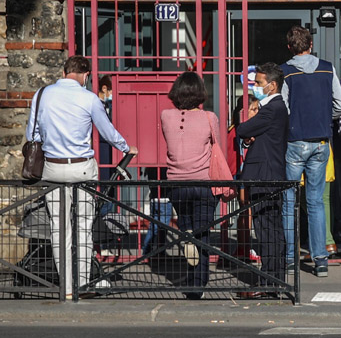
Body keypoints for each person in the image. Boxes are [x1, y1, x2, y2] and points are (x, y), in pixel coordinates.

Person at [25, 56, 136, 299]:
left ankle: (65, 287)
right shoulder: (90, 98)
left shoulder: (42, 95)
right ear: (86, 76)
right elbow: (108, 132)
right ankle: (82, 283)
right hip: (82, 168)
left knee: (58, 228)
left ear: (64, 71)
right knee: (83, 227)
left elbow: (31, 133)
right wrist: (127, 147)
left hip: (52, 169)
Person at [280, 25, 341, 277]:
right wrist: (325, 118)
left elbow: (284, 108)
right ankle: (320, 259)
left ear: (290, 47)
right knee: (316, 202)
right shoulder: (327, 68)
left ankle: (289, 259)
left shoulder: (285, 72)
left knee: (289, 203)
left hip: (295, 141)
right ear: (310, 45)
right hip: (321, 141)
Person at [159, 71, 226, 299]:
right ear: (200, 92)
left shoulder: (166, 116)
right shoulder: (210, 117)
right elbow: (215, 144)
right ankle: (198, 284)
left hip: (177, 184)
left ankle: (191, 278)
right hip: (203, 183)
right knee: (202, 234)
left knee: (187, 233)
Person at [235, 62, 290, 298]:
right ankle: (274, 279)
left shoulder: (272, 108)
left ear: (272, 85)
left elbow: (243, 129)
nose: (255, 87)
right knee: (270, 228)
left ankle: (270, 281)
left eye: (258, 83)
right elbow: (255, 135)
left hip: (264, 176)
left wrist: (248, 120)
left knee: (267, 229)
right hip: (269, 172)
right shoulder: (273, 108)